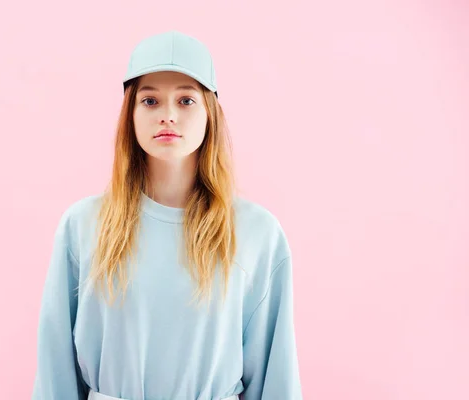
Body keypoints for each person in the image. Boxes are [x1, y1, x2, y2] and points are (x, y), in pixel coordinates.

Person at [31, 30, 303, 400]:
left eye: (187, 100)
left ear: (211, 114)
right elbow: (55, 370)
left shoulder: (256, 233)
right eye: (150, 100)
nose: (168, 116)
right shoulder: (84, 226)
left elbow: (276, 377)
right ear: (131, 114)